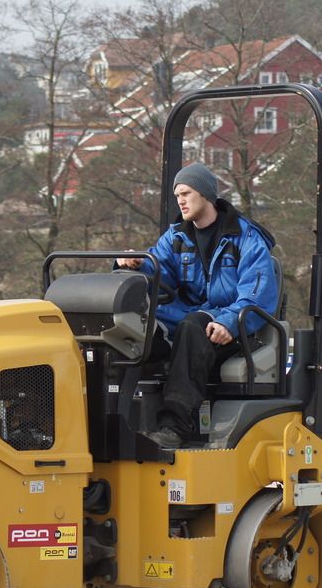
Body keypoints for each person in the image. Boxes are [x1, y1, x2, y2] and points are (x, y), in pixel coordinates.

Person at [117, 162, 278, 448]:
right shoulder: (176, 237)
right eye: (177, 194)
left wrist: (228, 323)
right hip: (189, 320)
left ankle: (175, 426)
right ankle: (117, 419)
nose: (180, 200)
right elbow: (160, 274)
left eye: (186, 193)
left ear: (205, 194)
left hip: (234, 327)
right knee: (130, 327)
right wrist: (136, 264)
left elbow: (257, 294)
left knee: (193, 325)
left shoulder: (246, 238)